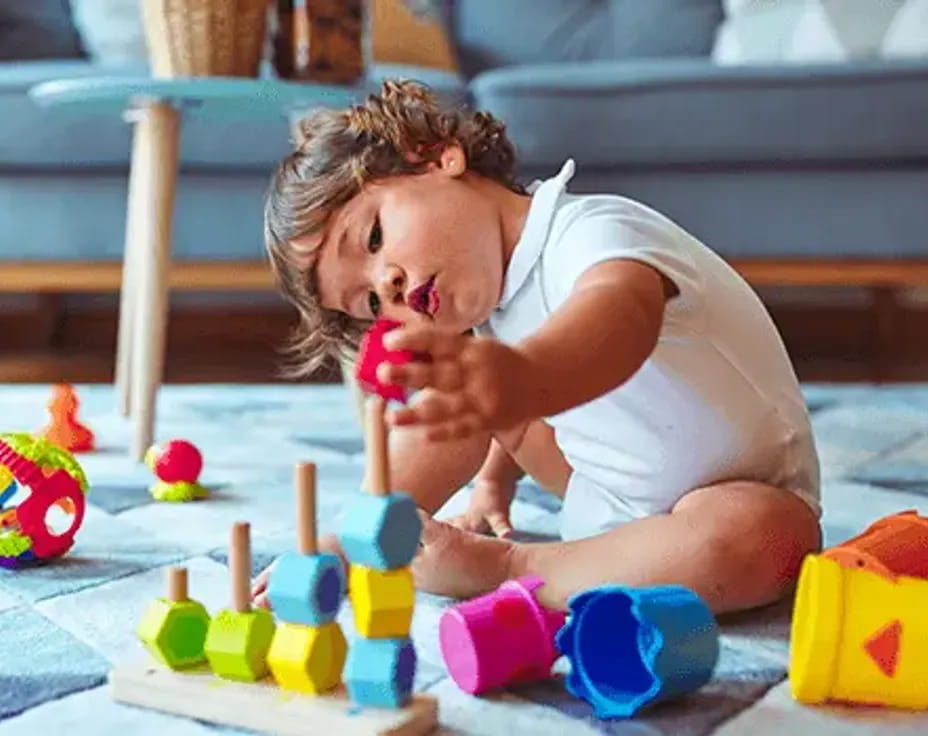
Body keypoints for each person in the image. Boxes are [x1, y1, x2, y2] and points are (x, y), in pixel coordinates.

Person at [254, 80, 821, 613]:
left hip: (738, 496)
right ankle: (360, 535)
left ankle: (512, 568)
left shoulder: (591, 229)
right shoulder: (495, 317)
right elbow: (498, 402)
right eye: (371, 304)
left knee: (761, 535)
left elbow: (621, 318)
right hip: (603, 506)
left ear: (436, 156)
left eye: (374, 238)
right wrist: (490, 477)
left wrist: (518, 376)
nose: (387, 285)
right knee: (459, 401)